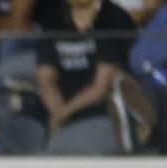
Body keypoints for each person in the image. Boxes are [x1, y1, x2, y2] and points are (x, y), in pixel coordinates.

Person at [36, 0, 137, 144]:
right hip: (58, 113)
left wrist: (63, 114)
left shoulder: (115, 18)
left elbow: (101, 86)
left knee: (61, 148)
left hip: (105, 115)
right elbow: (45, 79)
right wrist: (57, 113)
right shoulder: (52, 18)